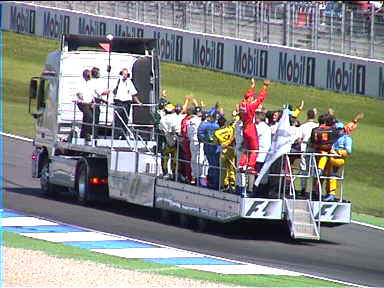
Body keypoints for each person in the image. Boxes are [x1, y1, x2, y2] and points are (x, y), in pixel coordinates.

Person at [238, 79, 270, 174]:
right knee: (255, 149)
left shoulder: (241, 105)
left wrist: (252, 86)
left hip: (244, 129)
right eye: (252, 97)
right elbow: (260, 99)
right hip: (251, 128)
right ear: (250, 98)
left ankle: (242, 164)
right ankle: (250, 166)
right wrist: (265, 87)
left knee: (246, 148)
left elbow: (248, 94)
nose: (253, 98)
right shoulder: (250, 106)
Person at [322, 121, 353, 202]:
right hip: (331, 157)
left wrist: (337, 152)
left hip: (338, 159)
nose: (337, 131)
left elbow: (348, 151)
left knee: (332, 175)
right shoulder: (335, 137)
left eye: (339, 129)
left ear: (342, 129)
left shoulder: (347, 139)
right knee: (328, 175)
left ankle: (331, 194)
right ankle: (328, 192)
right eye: (336, 129)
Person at [112, 68, 142, 139]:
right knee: (117, 120)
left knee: (125, 120)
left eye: (126, 74)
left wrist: (139, 102)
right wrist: (116, 87)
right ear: (121, 74)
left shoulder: (129, 82)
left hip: (126, 103)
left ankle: (123, 136)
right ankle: (116, 136)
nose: (125, 76)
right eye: (124, 74)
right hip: (118, 102)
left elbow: (133, 94)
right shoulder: (118, 81)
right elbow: (113, 91)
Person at [298, 108, 319, 195]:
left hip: (304, 149)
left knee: (304, 169)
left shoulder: (303, 126)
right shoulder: (317, 125)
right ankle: (314, 190)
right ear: (314, 116)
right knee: (315, 169)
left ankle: (303, 189)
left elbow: (299, 139)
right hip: (314, 149)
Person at [252, 109, 272, 197]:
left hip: (260, 154)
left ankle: (258, 193)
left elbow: (253, 136)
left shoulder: (259, 127)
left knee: (258, 174)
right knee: (264, 175)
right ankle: (263, 192)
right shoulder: (267, 127)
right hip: (266, 154)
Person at [90, 67, 110, 139]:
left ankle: (92, 134)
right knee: (95, 119)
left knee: (93, 119)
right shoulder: (95, 82)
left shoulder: (90, 81)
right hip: (94, 102)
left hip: (95, 101)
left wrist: (104, 101)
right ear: (96, 73)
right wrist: (109, 91)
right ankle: (94, 135)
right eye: (98, 73)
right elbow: (100, 92)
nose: (99, 74)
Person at [76, 69, 94, 142]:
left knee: (87, 118)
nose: (89, 76)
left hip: (89, 103)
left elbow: (92, 94)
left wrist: (93, 102)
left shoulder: (90, 83)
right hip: (82, 103)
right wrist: (83, 99)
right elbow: (78, 93)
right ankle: (87, 134)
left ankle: (83, 134)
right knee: (89, 116)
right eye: (88, 75)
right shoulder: (81, 83)